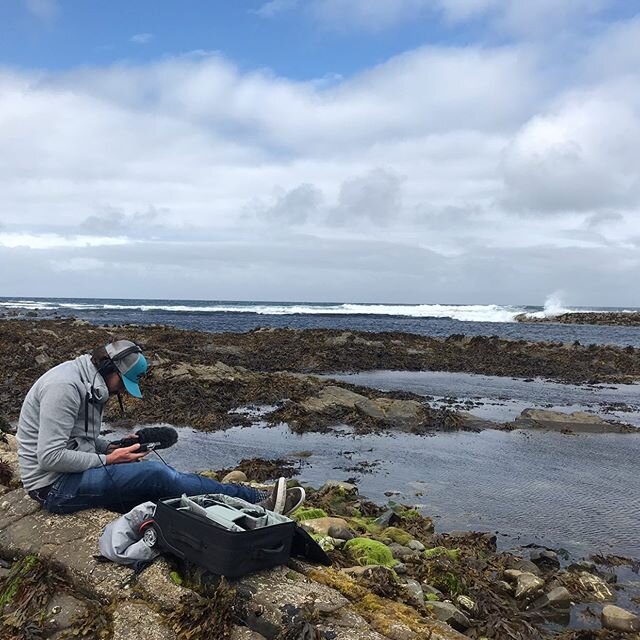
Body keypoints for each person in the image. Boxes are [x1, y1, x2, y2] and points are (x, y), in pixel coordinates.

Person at [17, 339, 304, 516]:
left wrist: (113, 447)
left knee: (163, 484)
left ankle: (239, 500)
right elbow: (50, 457)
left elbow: (78, 440)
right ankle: (254, 499)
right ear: (109, 369)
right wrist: (108, 459)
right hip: (52, 488)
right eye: (123, 384)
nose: (122, 393)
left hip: (68, 476)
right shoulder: (65, 387)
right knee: (156, 474)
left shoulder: (91, 383)